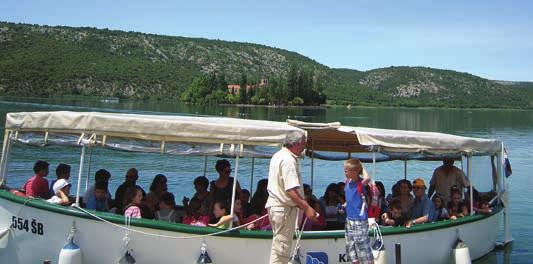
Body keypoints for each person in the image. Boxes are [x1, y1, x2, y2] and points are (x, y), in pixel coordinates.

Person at [266, 134, 317, 264]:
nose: (304, 147)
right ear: (296, 144)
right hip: (283, 209)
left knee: (278, 247)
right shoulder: (288, 160)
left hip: (276, 207)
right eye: (303, 143)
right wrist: (307, 208)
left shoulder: (277, 155)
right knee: (282, 251)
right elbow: (291, 190)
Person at [343, 158, 373, 264]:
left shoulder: (360, 183)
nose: (345, 172)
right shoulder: (347, 182)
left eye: (347, 170)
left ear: (355, 171)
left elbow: (368, 178)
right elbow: (351, 197)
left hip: (359, 220)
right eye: (344, 170)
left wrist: (361, 167)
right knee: (350, 248)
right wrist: (345, 205)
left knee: (363, 249)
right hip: (349, 219)